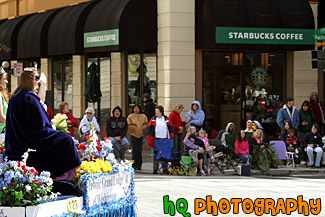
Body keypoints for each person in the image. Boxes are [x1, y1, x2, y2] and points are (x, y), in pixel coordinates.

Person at [4, 70, 81, 180]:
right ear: (30, 81)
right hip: (32, 141)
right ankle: (58, 175)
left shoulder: (15, 98)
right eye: (36, 79)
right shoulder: (29, 98)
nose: (38, 82)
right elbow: (41, 124)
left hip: (16, 143)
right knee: (66, 139)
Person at [146, 105, 174, 174]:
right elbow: (149, 129)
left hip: (165, 139)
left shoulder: (166, 119)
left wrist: (171, 136)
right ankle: (155, 168)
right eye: (155, 111)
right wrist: (150, 137)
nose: (156, 113)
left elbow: (170, 128)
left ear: (161, 112)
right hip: (155, 139)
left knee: (165, 154)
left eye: (157, 111)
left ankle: (165, 168)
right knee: (154, 154)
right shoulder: (153, 119)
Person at [127, 104, 148, 171]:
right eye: (135, 108)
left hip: (141, 135)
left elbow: (146, 124)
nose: (136, 110)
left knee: (139, 150)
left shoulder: (143, 116)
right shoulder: (130, 116)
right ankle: (133, 164)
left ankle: (139, 165)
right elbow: (129, 124)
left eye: (137, 108)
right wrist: (133, 128)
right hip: (133, 135)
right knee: (135, 150)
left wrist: (142, 128)